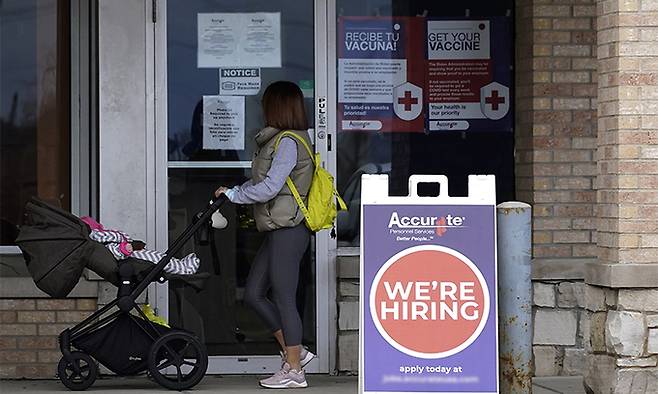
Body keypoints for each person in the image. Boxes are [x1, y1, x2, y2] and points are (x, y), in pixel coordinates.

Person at [215, 81, 315, 389]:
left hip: (290, 230)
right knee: (255, 294)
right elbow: (263, 182)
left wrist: (234, 195)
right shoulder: (276, 141)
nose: (262, 110)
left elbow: (271, 187)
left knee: (284, 298)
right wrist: (233, 191)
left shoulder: (288, 141)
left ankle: (295, 370)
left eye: (266, 104)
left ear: (277, 107)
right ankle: (295, 353)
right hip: (277, 228)